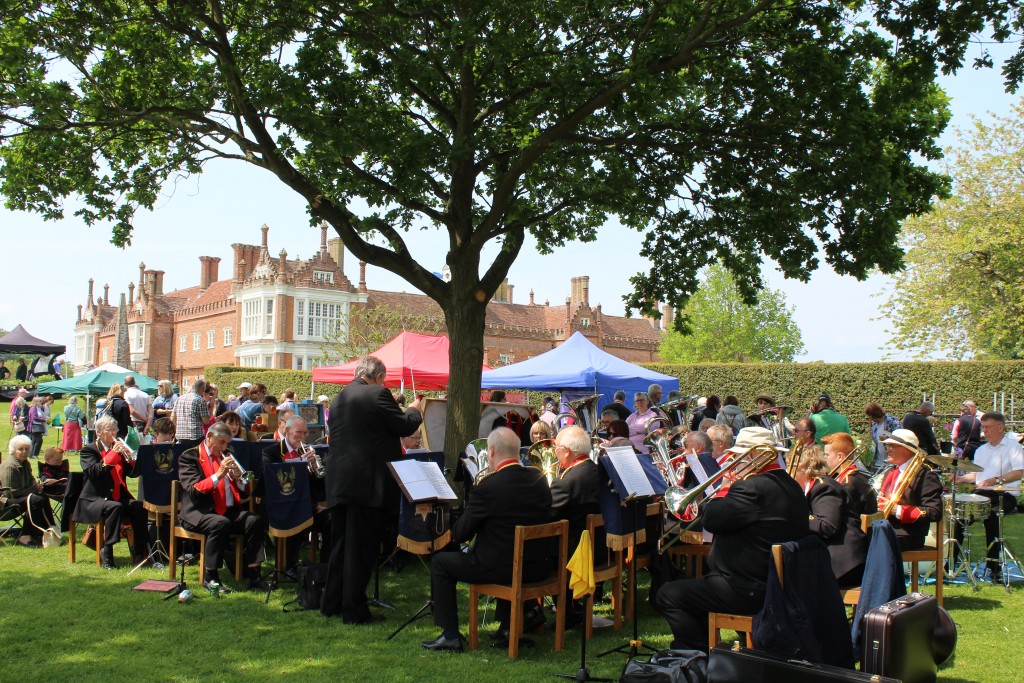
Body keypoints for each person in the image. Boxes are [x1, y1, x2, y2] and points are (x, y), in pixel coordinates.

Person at [655, 427, 809, 652]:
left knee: (668, 595)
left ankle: (694, 651)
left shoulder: (753, 487)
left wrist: (724, 490)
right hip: (774, 582)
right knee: (691, 593)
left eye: (739, 456)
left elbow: (712, 520)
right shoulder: (790, 484)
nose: (735, 460)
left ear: (755, 455)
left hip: (745, 587)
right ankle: (706, 648)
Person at [423, 427, 553, 652]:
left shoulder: (487, 487)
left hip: (504, 569)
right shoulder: (540, 479)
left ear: (491, 452)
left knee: (441, 563)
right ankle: (509, 626)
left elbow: (462, 533)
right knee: (505, 549)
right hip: (539, 566)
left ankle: (450, 634)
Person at [321, 355, 423, 624]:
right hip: (366, 484)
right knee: (362, 549)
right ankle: (354, 610)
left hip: (340, 482)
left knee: (341, 545)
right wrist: (414, 409)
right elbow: (404, 426)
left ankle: (331, 603)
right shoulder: (378, 394)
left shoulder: (339, 397)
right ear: (378, 377)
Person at [178, 422, 268, 591]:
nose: (225, 447)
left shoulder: (227, 455)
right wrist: (219, 475)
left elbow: (244, 493)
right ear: (209, 437)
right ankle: (210, 576)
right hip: (198, 511)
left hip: (226, 510)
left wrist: (239, 480)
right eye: (221, 442)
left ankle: (254, 573)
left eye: (228, 443)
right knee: (220, 523)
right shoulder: (190, 457)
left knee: (254, 520)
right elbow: (194, 491)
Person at [74, 415, 152, 568]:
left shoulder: (117, 448)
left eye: (115, 430)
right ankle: (107, 551)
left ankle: (139, 552)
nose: (114, 433)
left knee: (139, 506)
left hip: (116, 495)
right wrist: (113, 455)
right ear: (99, 432)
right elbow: (95, 473)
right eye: (109, 430)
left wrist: (130, 459)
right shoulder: (89, 450)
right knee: (114, 507)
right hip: (95, 498)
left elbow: (132, 473)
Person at [953, 411, 1023, 582]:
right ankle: (952, 562)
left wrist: (996, 480)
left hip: (1004, 494)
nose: (984, 431)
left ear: (1000, 428)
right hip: (982, 494)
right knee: (958, 517)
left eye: (988, 427)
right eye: (983, 427)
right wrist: (960, 478)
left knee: (992, 518)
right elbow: (978, 477)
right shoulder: (981, 450)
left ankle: (993, 567)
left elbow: (1018, 473)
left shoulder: (1014, 447)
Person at [262, 416, 330, 573]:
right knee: (294, 517)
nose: (302, 437)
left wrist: (316, 470)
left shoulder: (307, 451)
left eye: (305, 433)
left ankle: (326, 564)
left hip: (306, 503)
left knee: (332, 518)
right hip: (282, 505)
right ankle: (289, 564)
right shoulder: (271, 452)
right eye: (298, 433)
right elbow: (272, 479)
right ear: (287, 431)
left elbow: (318, 488)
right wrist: (300, 462)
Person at [551, 425, 602, 628]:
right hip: (599, 547)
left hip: (574, 552)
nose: (554, 453)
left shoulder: (566, 481)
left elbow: (549, 515)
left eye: (556, 448)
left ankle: (567, 613)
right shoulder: (596, 470)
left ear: (566, 451)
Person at [822, 433, 876, 587]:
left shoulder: (847, 484)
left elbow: (833, 524)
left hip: (851, 557)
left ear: (840, 456)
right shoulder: (855, 478)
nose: (825, 459)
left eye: (827, 455)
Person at [876, 429, 943, 551]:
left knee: (873, 545)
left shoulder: (925, 474)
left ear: (906, 449)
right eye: (887, 446)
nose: (888, 450)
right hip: (886, 528)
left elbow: (934, 512)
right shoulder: (890, 472)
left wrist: (898, 510)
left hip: (908, 534)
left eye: (892, 446)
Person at [789, 443, 848, 550]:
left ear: (802, 467)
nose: (787, 471)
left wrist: (794, 515)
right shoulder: (816, 485)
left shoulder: (823, 486)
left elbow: (827, 527)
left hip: (838, 558)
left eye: (790, 465)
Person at [0, 435, 56, 546]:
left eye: (27, 449)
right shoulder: (10, 466)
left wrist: (38, 486)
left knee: (42, 496)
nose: (24, 452)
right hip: (7, 503)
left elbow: (31, 481)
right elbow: (11, 493)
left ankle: (49, 530)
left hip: (22, 498)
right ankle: (25, 535)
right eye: (20, 449)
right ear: (13, 450)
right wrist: (34, 489)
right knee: (35, 499)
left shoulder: (26, 463)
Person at [170, 379, 212, 449]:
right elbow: (206, 421)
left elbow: (172, 417)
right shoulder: (201, 400)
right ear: (203, 388)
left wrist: (175, 431)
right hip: (195, 436)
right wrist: (212, 407)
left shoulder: (179, 398)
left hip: (180, 436)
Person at [865, 403, 902, 468]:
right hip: (878, 462)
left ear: (875, 415)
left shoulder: (892, 421)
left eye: (871, 416)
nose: (870, 418)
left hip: (891, 462)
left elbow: (901, 436)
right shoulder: (874, 425)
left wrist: (887, 438)